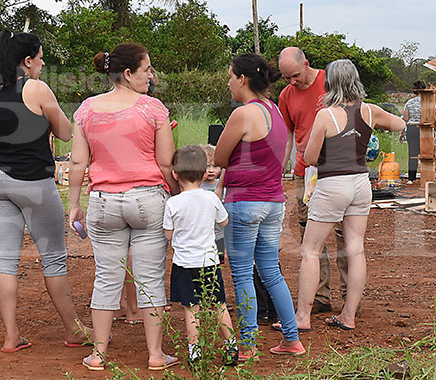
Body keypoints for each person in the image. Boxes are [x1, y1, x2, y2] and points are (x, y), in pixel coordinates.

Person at [0, 30, 87, 352]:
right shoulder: (37, 88)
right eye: (41, 59)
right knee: (53, 258)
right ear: (27, 61)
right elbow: (65, 132)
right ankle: (74, 330)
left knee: (5, 258)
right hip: (33, 182)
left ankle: (11, 335)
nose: (43, 65)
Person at [68, 43, 179, 371]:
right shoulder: (153, 109)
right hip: (148, 200)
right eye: (147, 70)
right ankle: (156, 354)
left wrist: (74, 204)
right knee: (151, 278)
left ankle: (98, 354)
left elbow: (77, 162)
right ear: (128, 73)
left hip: (103, 203)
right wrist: (176, 195)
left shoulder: (86, 110)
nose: (151, 76)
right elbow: (166, 162)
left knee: (106, 278)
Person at [297, 59, 406, 331]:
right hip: (360, 183)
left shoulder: (326, 115)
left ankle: (302, 317)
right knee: (356, 249)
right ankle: (348, 316)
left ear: (330, 83)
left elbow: (310, 157)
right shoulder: (370, 111)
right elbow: (399, 124)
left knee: (310, 251)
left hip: (333, 183)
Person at [215, 53, 305, 359]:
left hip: (244, 202)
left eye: (230, 77)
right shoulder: (274, 110)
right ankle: (291, 338)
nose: (229, 83)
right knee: (271, 272)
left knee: (242, 274)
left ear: (242, 79)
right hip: (273, 202)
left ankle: (248, 344)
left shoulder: (243, 114)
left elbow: (220, 158)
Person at [278, 46, 345, 315]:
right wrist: (282, 166)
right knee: (310, 235)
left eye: (295, 75)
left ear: (306, 64)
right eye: (286, 78)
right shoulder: (286, 95)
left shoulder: (330, 82)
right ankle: (320, 295)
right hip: (305, 172)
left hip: (337, 169)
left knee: (344, 232)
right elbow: (288, 134)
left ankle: (350, 296)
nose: (292, 82)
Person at [164, 145, 237, 365]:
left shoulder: (173, 203)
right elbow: (224, 221)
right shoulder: (211, 198)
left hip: (184, 264)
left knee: (191, 309)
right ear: (205, 174)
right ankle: (231, 348)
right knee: (219, 305)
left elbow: (168, 234)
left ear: (175, 174)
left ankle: (195, 353)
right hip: (209, 262)